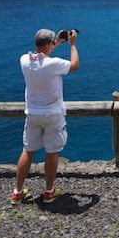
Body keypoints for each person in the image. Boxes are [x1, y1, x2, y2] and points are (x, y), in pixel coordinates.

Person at [11, 28, 80, 204]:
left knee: (28, 151)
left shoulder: (24, 60)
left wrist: (55, 42)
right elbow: (75, 65)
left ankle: (18, 192)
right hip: (53, 115)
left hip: (33, 114)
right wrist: (72, 45)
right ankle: (49, 192)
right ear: (49, 45)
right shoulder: (54, 64)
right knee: (52, 152)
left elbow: (41, 56)